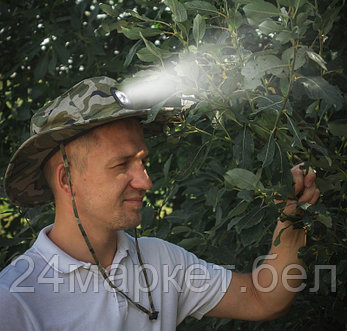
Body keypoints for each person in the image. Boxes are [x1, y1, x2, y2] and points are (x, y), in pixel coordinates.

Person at [0, 76, 320, 330]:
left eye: (142, 161)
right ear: (66, 180)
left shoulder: (159, 260)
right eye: (122, 164)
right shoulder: (17, 301)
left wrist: (290, 218)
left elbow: (262, 298)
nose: (146, 181)